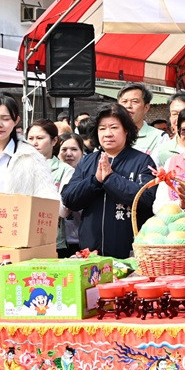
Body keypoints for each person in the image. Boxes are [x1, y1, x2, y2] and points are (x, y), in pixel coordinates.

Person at [61, 104, 157, 258]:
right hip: (90, 254)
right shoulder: (88, 162)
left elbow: (147, 199)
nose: (108, 134)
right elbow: (69, 199)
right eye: (102, 128)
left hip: (130, 254)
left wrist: (111, 179)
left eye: (114, 127)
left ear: (126, 130)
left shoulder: (142, 161)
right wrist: (96, 181)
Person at [27, 119, 75, 257]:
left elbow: (63, 210)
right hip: (23, 238)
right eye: (30, 138)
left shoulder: (65, 170)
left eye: (40, 138)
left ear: (54, 141)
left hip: (53, 241)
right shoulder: (19, 167)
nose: (34, 143)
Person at [117, 83, 172, 166]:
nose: (128, 106)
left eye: (135, 101)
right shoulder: (108, 134)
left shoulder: (159, 138)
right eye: (124, 101)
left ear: (146, 107)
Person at [54, 134, 86, 256]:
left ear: (82, 152)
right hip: (60, 243)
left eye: (74, 149)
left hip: (81, 242)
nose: (68, 154)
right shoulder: (52, 175)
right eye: (64, 149)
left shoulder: (89, 177)